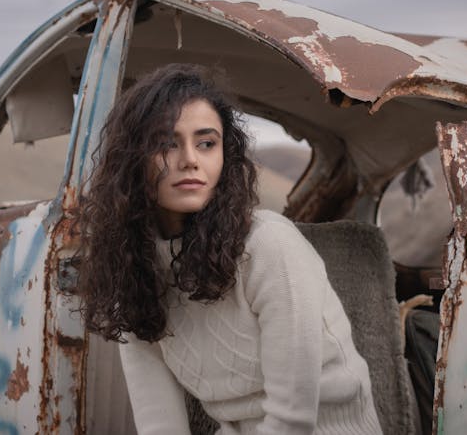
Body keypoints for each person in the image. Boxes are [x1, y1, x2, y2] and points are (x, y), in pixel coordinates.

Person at [76, 64, 381, 434]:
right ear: (132, 160)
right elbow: (160, 425)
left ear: (225, 155)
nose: (190, 159)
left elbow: (292, 421)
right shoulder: (134, 271)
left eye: (206, 143)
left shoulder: (269, 245)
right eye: (165, 143)